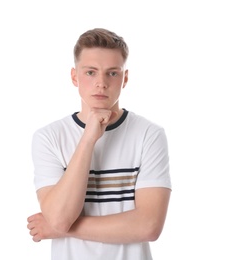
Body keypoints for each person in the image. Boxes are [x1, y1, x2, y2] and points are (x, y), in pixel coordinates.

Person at [27, 28, 172, 260]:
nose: (101, 83)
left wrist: (60, 228)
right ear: (75, 77)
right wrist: (88, 138)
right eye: (91, 72)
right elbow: (60, 216)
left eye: (112, 73)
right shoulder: (49, 137)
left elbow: (149, 226)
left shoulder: (149, 134)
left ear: (125, 78)